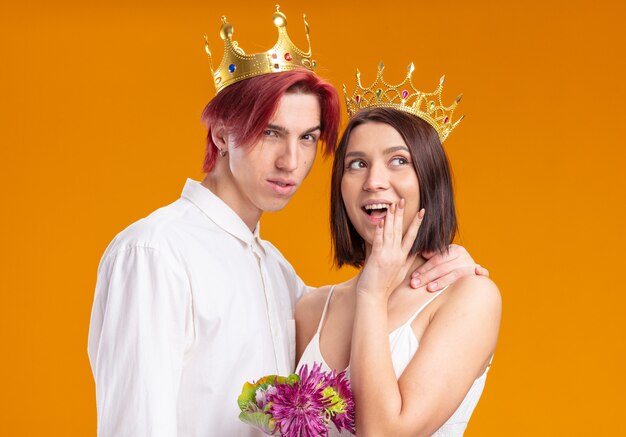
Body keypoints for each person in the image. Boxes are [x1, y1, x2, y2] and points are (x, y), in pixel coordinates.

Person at [88, 9, 487, 437]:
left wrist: (447, 259)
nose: (290, 161)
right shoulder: (156, 252)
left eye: (308, 138)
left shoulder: (280, 276)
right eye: (270, 132)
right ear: (221, 134)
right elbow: (135, 424)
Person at [296, 64, 502, 436]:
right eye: (357, 164)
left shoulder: (469, 296)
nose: (375, 182)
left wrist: (373, 293)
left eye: (398, 161)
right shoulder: (311, 309)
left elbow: (384, 433)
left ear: (428, 179)